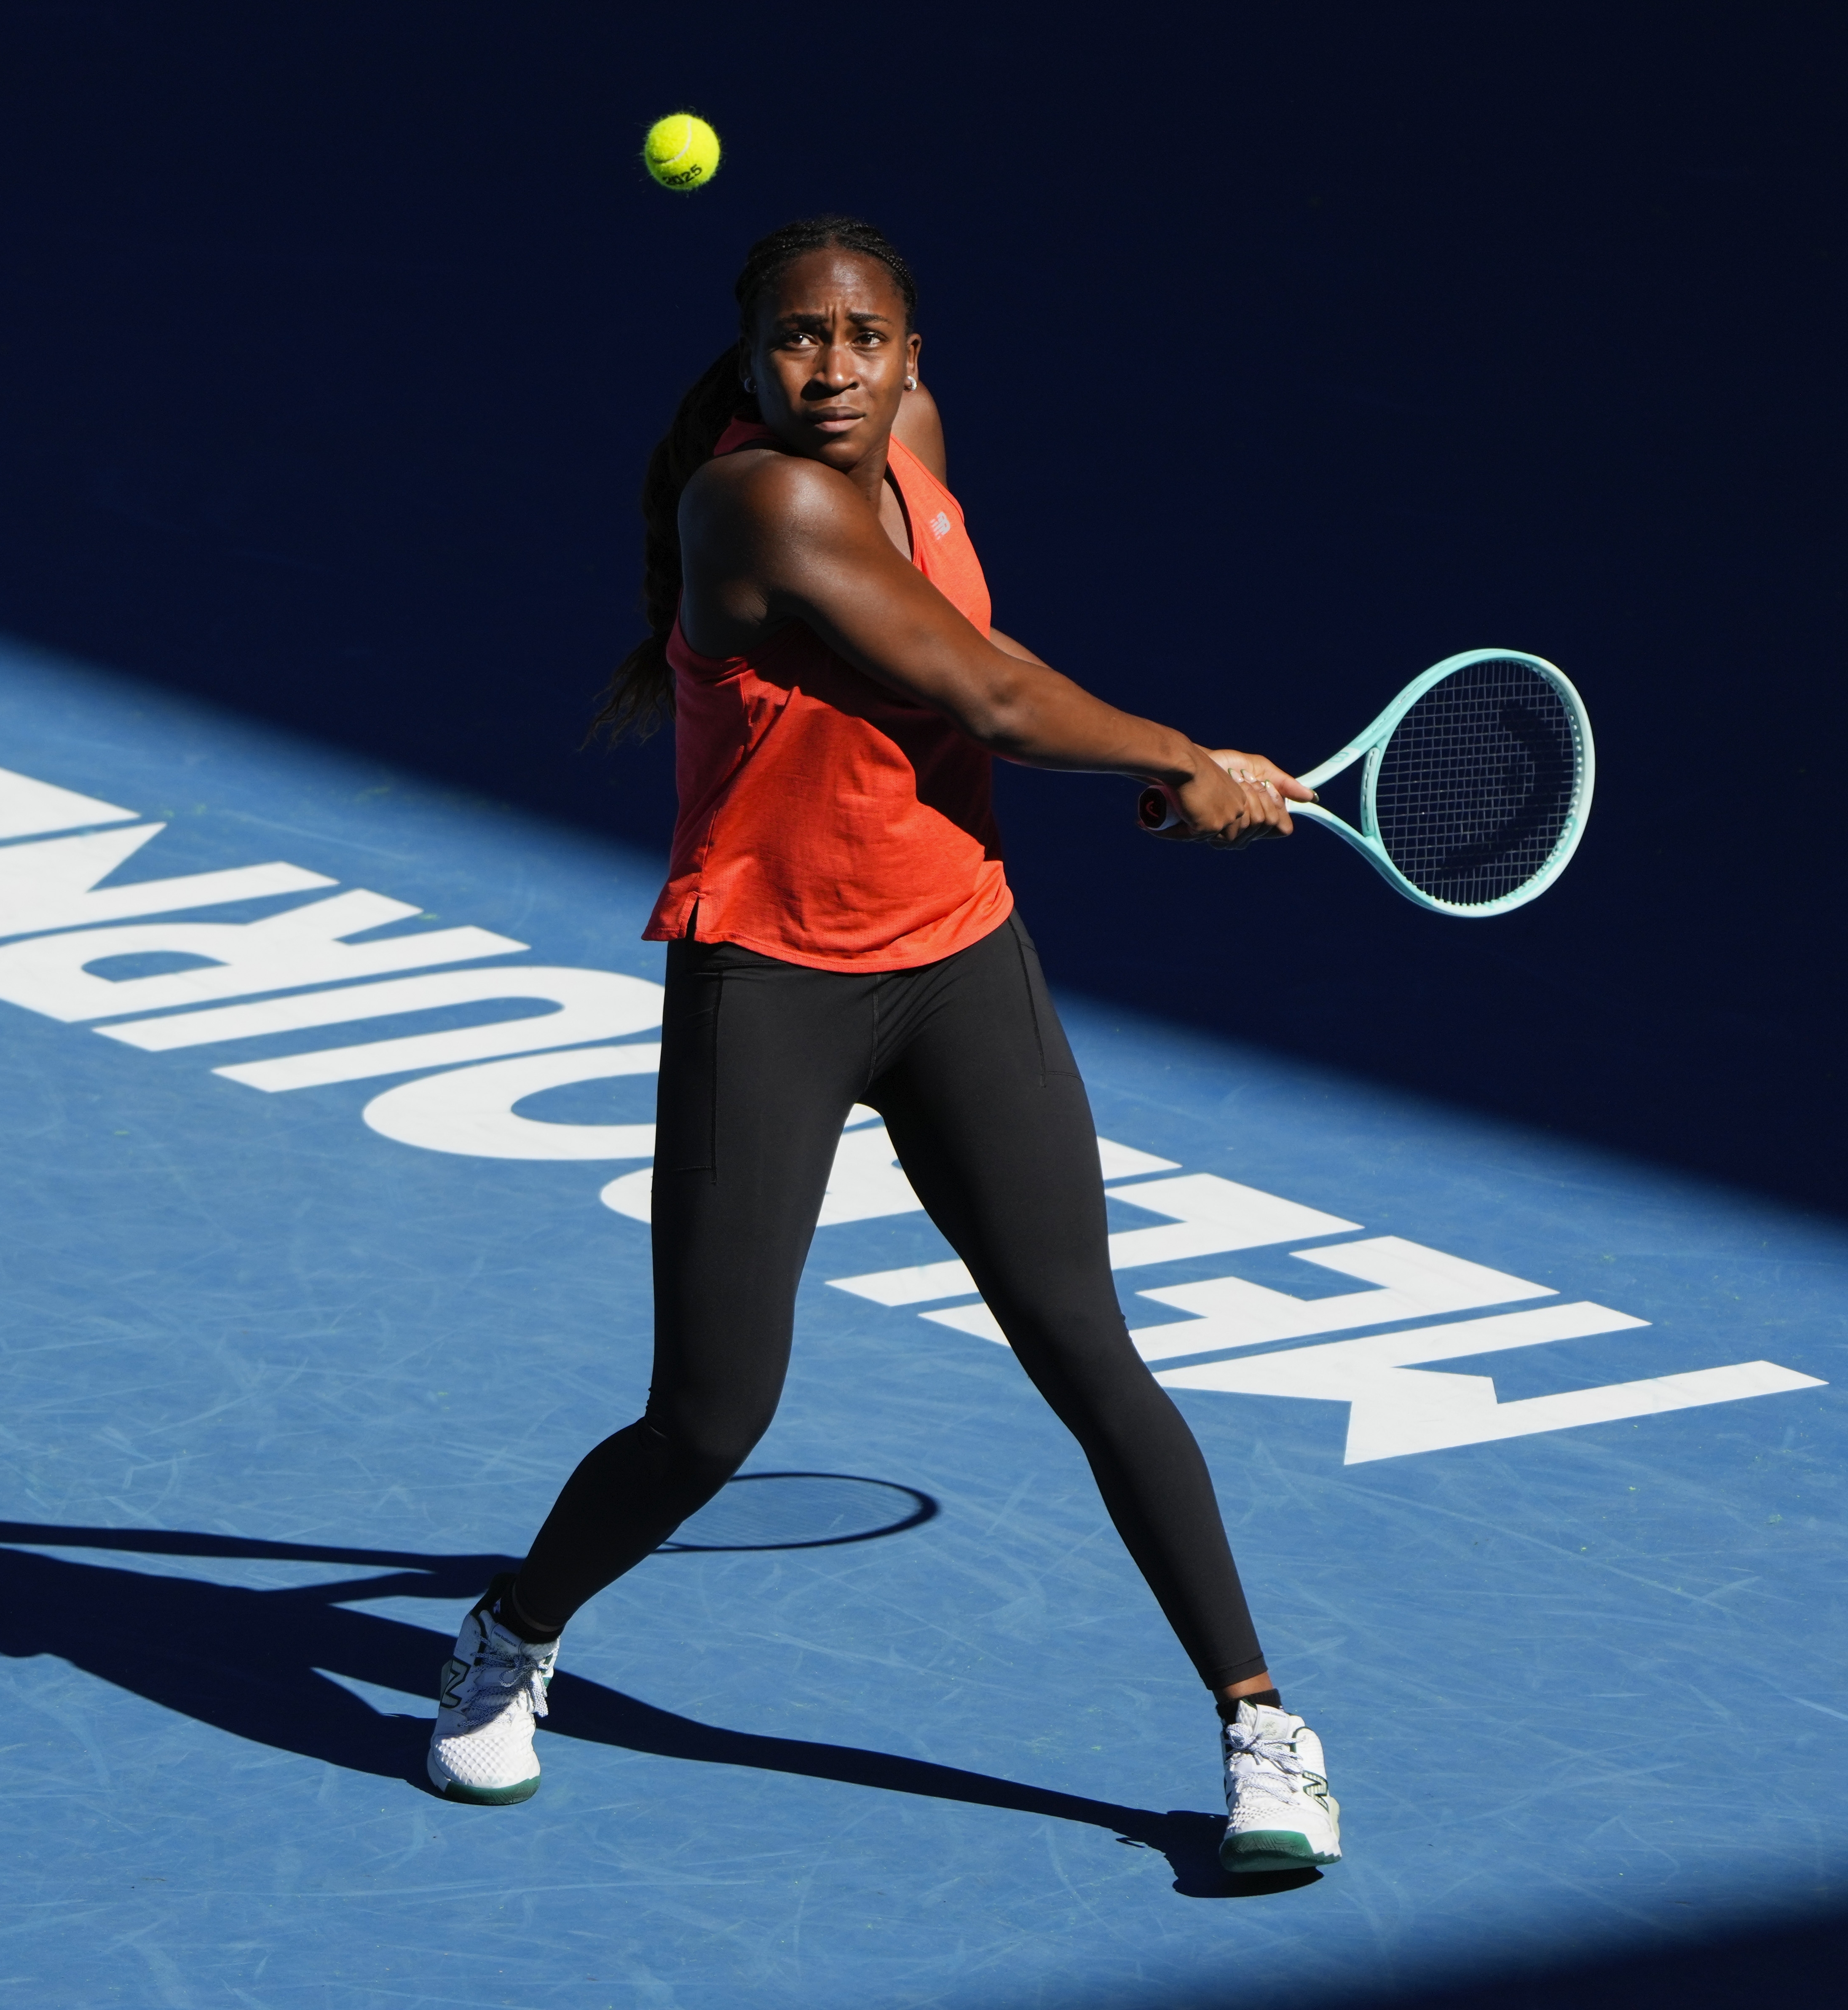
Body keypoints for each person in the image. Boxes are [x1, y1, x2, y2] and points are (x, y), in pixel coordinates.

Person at [426, 215, 1341, 1874]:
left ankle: (1259, 1721)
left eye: (863, 338)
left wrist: (1152, 769)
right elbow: (983, 695)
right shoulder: (753, 500)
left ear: (915, 356)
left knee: (1089, 1348)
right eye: (797, 338)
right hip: (768, 980)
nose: (831, 369)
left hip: (956, 960)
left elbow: (979, 679)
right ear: (754, 351)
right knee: (710, 1416)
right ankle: (509, 1631)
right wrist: (1186, 755)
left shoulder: (909, 443)